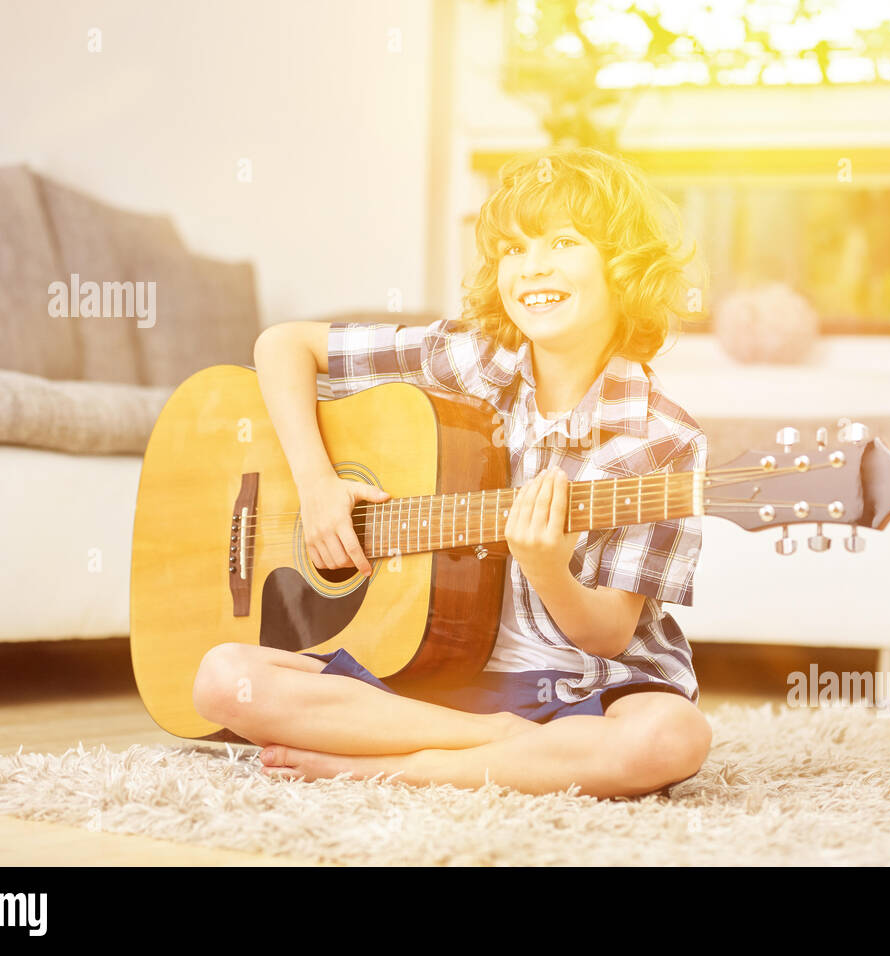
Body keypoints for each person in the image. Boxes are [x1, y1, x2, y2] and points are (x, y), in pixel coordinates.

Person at [192, 145, 712, 799]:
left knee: (672, 736)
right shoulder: (470, 359)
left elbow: (608, 633)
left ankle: (401, 765)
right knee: (220, 678)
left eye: (563, 243)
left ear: (625, 266)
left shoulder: (662, 440)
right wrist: (317, 484)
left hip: (587, 688)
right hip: (440, 674)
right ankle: (495, 745)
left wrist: (547, 565)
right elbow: (283, 344)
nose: (533, 268)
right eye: (514, 251)